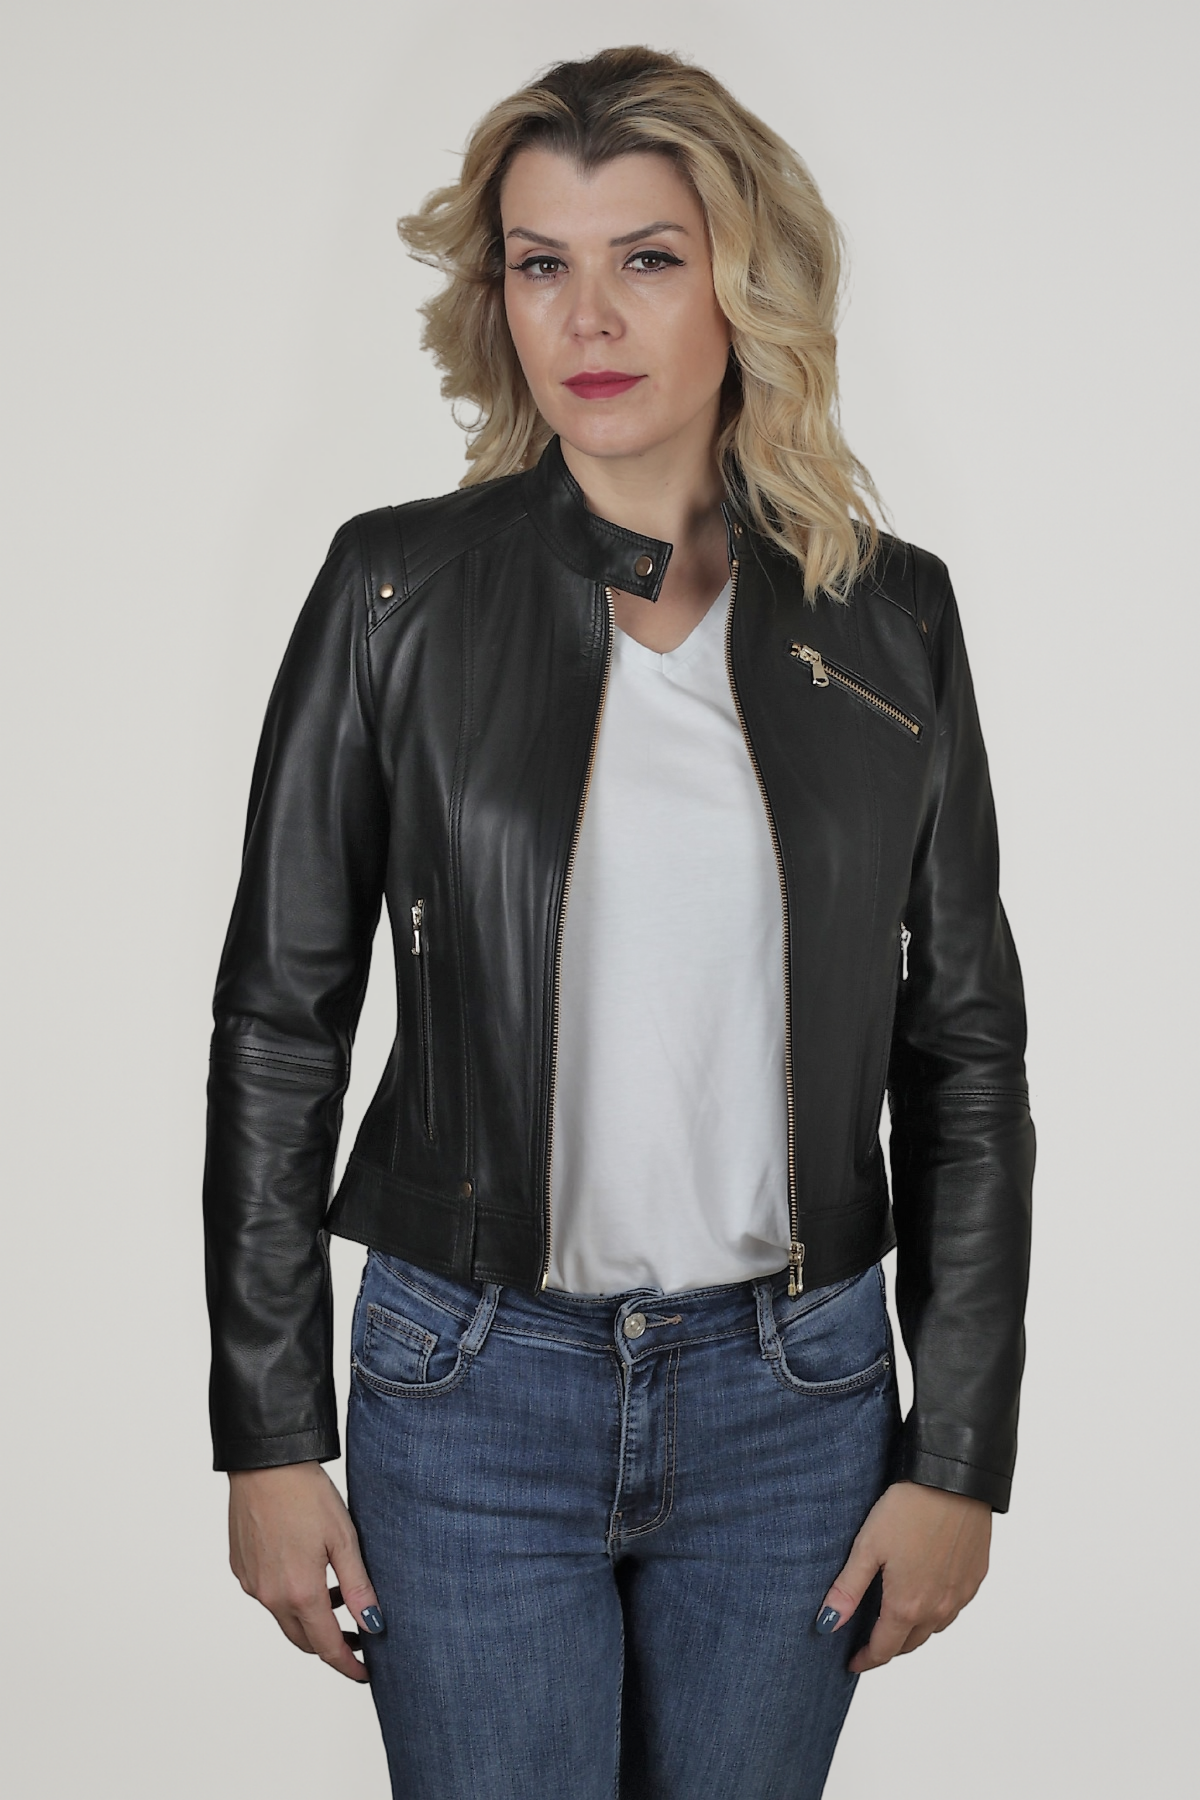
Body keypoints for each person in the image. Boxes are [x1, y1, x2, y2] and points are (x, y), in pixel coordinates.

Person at [203, 44, 1034, 1800]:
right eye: (541, 263)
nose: (588, 315)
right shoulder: (394, 593)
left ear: (745, 283)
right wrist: (268, 1434)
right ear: (496, 295)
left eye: (648, 257)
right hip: (468, 1385)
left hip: (795, 1397)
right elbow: (281, 1025)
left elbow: (963, 1052)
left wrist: (958, 1449)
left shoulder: (891, 623)